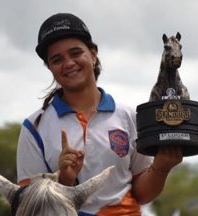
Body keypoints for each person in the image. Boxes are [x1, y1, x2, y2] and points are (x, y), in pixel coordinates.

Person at [16, 13, 182, 216]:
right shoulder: (34, 126)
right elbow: (30, 207)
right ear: (49, 67)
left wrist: (162, 166)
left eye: (75, 53)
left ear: (93, 54)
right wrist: (64, 181)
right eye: (57, 59)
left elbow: (142, 194)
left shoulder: (128, 116)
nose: (68, 63)